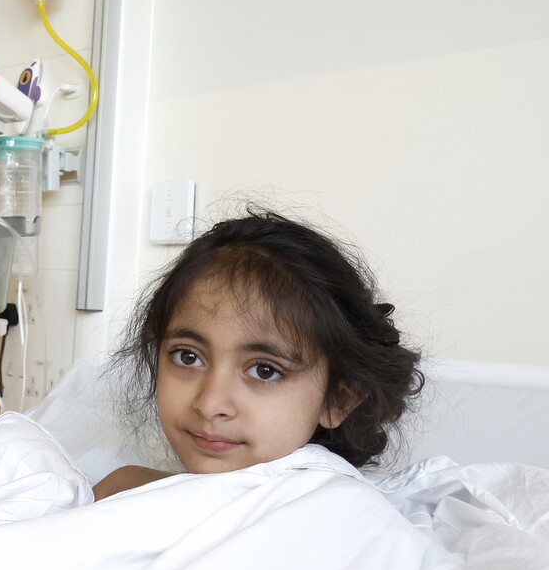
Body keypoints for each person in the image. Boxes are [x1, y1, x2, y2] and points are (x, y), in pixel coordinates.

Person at [94, 211, 424, 500]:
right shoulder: (123, 492)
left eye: (264, 371)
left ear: (337, 400)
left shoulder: (337, 515)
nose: (210, 404)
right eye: (188, 357)